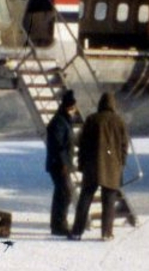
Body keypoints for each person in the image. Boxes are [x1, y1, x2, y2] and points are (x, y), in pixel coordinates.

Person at [69, 91, 129, 241]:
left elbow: (82, 143)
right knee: (108, 202)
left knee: (85, 199)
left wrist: (82, 163)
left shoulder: (91, 119)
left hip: (92, 166)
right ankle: (106, 233)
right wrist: (121, 163)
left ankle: (77, 231)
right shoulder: (119, 121)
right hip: (112, 167)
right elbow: (124, 146)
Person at [45, 89, 78, 237]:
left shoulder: (65, 121)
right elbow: (58, 145)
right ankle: (59, 225)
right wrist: (64, 163)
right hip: (59, 165)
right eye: (73, 108)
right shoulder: (59, 122)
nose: (74, 111)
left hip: (61, 164)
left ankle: (58, 224)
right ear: (67, 107)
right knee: (65, 193)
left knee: (63, 193)